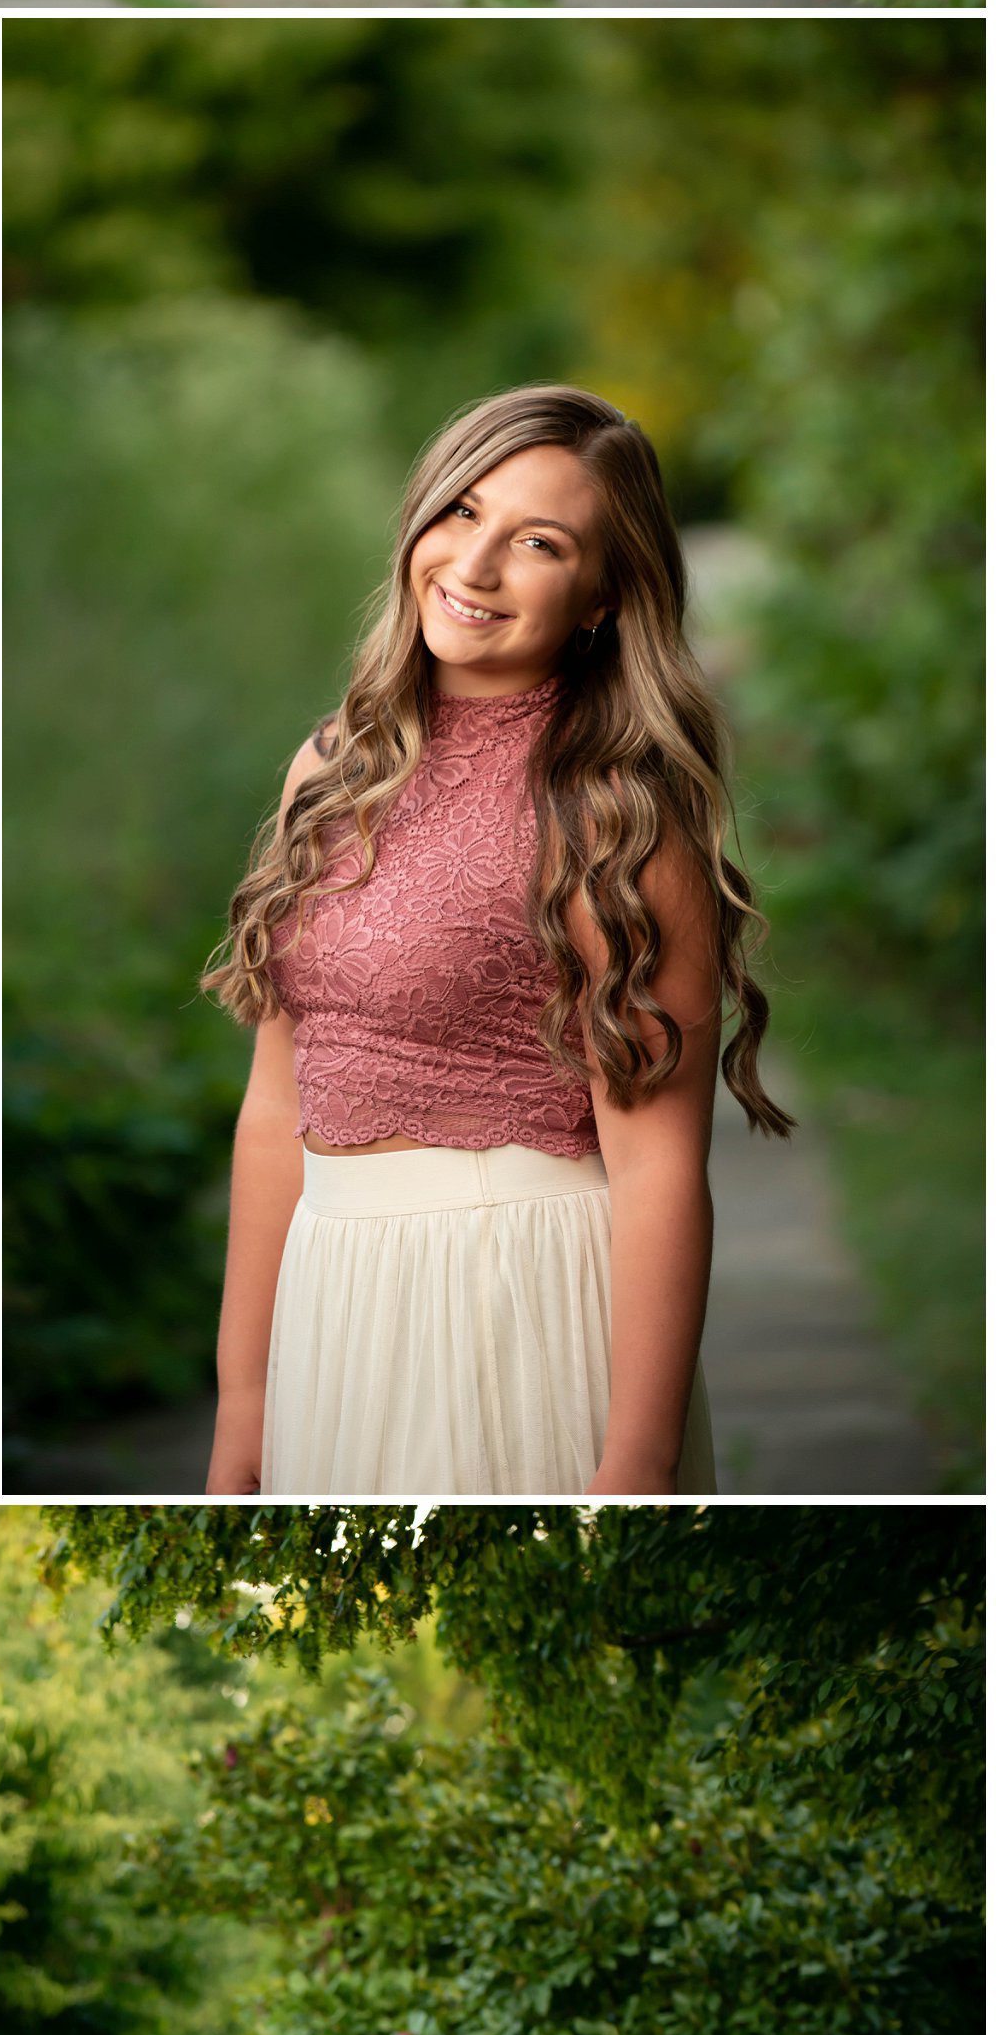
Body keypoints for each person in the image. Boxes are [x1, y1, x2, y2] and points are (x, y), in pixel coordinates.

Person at [204, 386, 792, 1496]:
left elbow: (662, 1162)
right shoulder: (330, 766)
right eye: (460, 512)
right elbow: (275, 1104)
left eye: (535, 541)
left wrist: (637, 1459)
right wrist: (242, 1394)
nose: (472, 567)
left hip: (506, 1290)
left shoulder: (614, 812)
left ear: (601, 596)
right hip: (329, 1292)